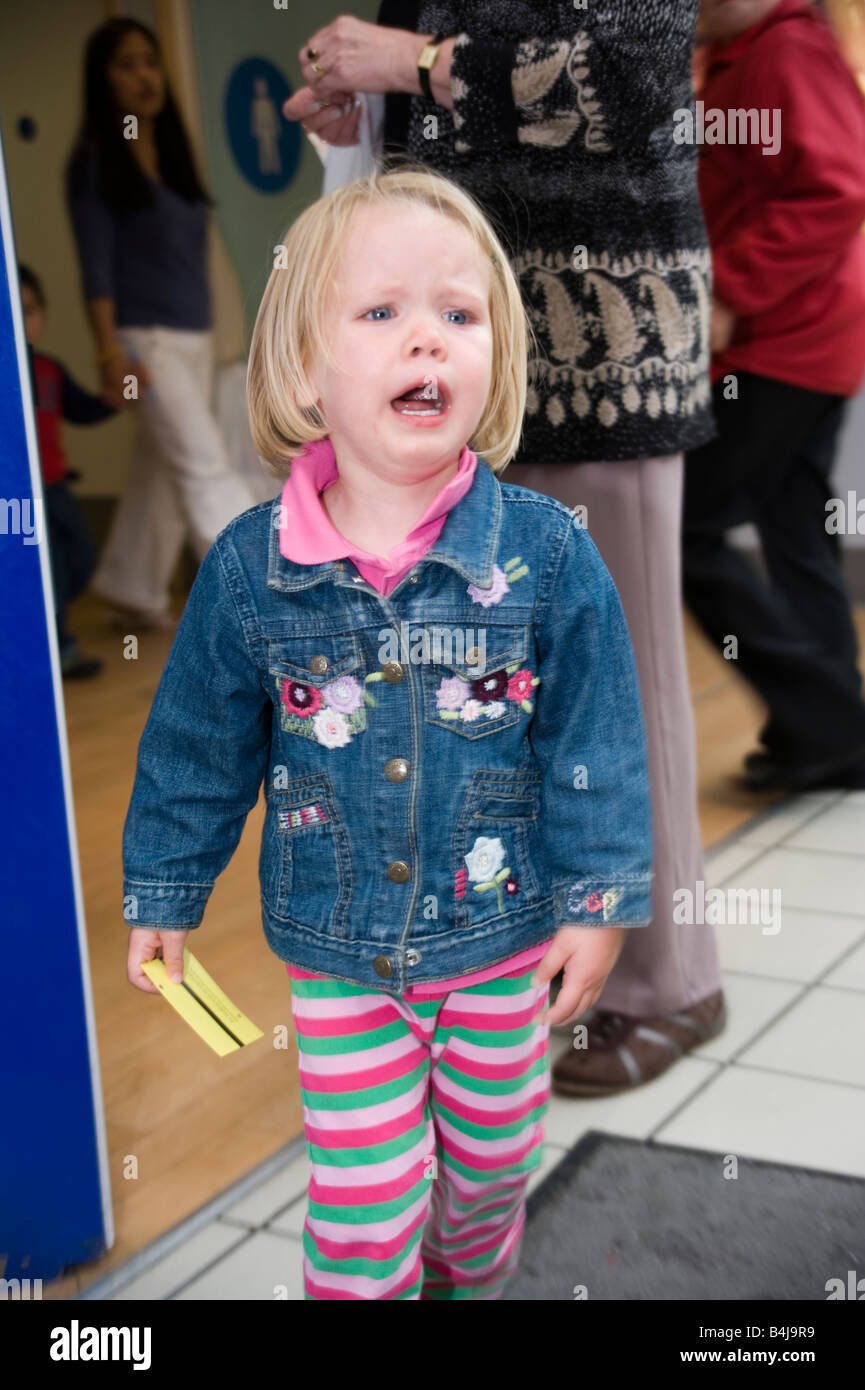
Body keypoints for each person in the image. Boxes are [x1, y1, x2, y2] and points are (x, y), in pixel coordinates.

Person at [122, 166, 653, 1299]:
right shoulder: (250, 571)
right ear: (304, 371)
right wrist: (163, 895)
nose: (429, 341)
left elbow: (593, 743)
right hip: (339, 955)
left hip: (504, 942)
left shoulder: (549, 556)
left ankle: (470, 1276)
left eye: (459, 316)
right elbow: (193, 752)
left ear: (493, 359)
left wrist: (600, 909)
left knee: (493, 1165)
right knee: (364, 1198)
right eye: (382, 312)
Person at [283, 2, 726, 1100]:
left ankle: (669, 977)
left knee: (616, 677)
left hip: (592, 344)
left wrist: (419, 62)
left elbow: (634, 76)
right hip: (462, 351)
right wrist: (360, 113)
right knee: (488, 688)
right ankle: (539, 957)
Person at [682, 0, 865, 791]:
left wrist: (732, 286)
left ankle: (827, 718)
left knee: (688, 527)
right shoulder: (736, 54)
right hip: (805, 333)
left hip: (789, 337)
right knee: (794, 526)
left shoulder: (783, 49)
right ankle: (830, 735)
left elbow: (840, 185)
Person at [65, 18, 256, 632]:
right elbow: (95, 271)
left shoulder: (173, 155)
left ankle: (130, 586)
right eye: (127, 64)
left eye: (150, 61)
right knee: (204, 464)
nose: (145, 74)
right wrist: (108, 357)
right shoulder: (96, 162)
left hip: (195, 338)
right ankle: (260, 596)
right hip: (143, 343)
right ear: (103, 78)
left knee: (161, 467)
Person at [19, 263, 112, 679]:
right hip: (18, 498)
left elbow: (81, 410)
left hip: (56, 488)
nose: (23, 321)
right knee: (47, 569)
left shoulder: (49, 370)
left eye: (30, 310)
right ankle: (58, 647)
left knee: (80, 559)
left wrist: (116, 398)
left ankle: (41, 625)